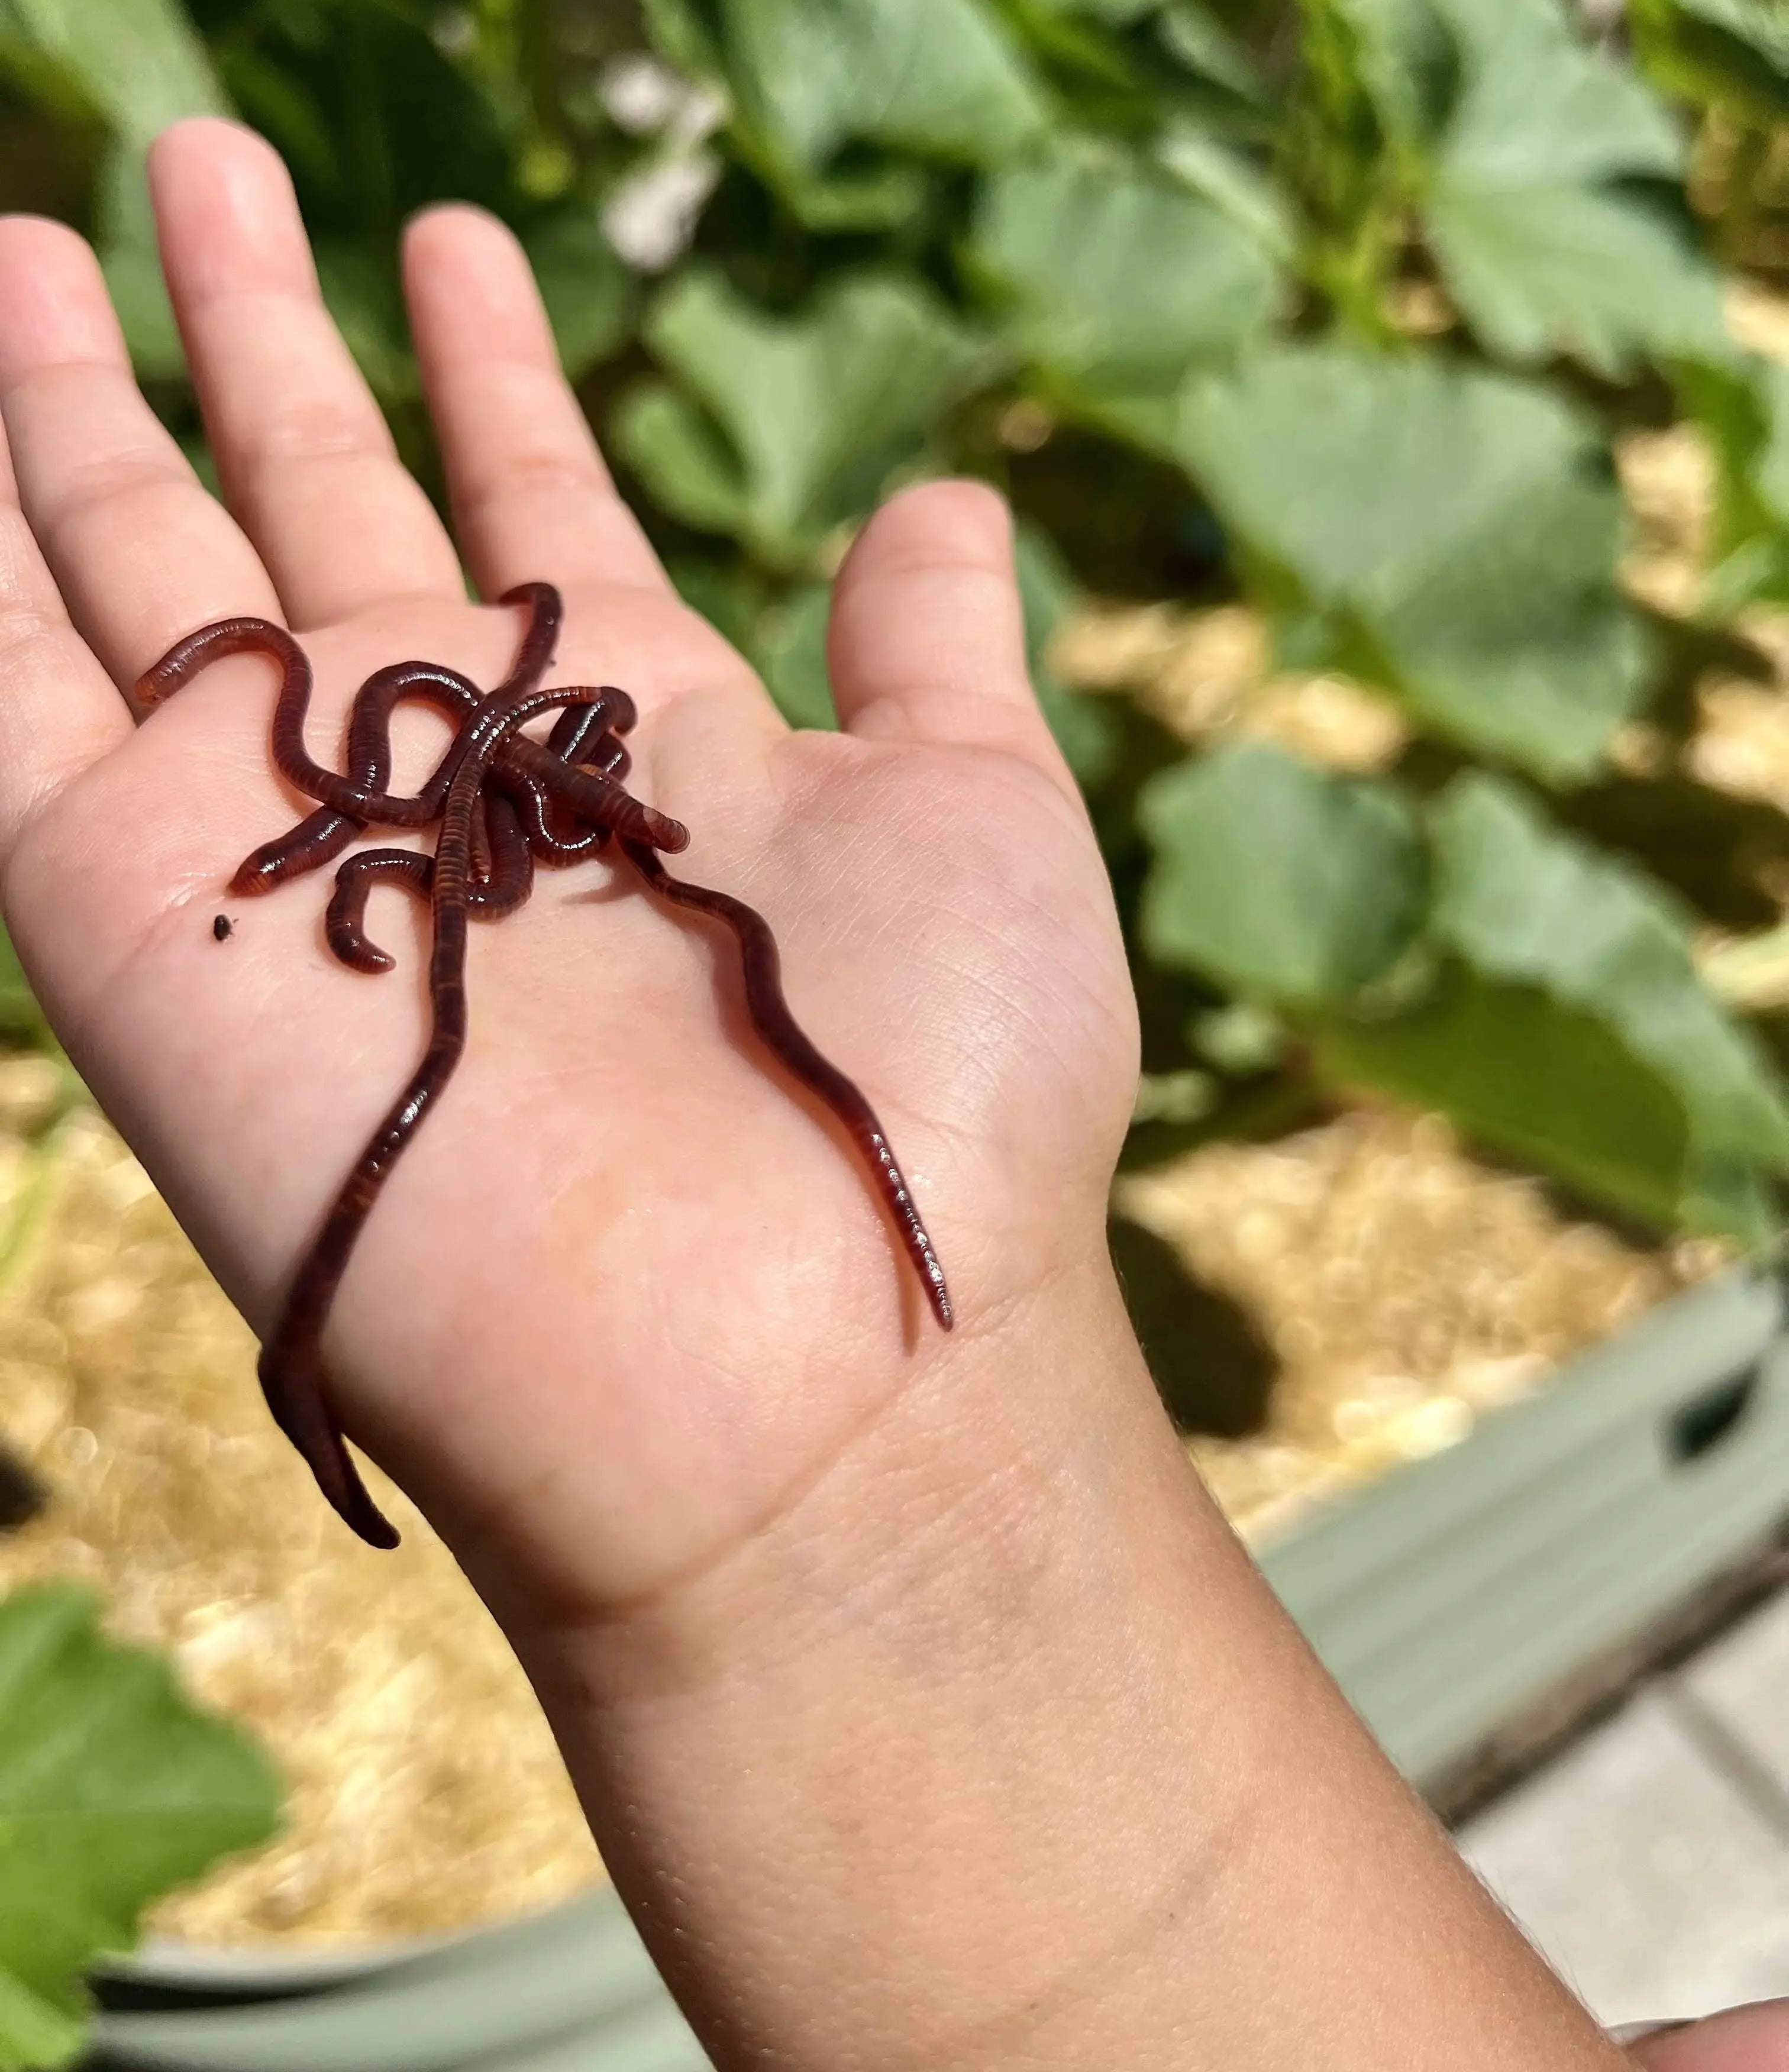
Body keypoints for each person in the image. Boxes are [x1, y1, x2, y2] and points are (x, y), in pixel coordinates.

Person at [0, 118, 1781, 2072]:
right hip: (460, 802)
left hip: (481, 800)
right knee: (440, 949)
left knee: (466, 945)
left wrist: (922, 1427)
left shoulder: (514, 802)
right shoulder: (459, 817)